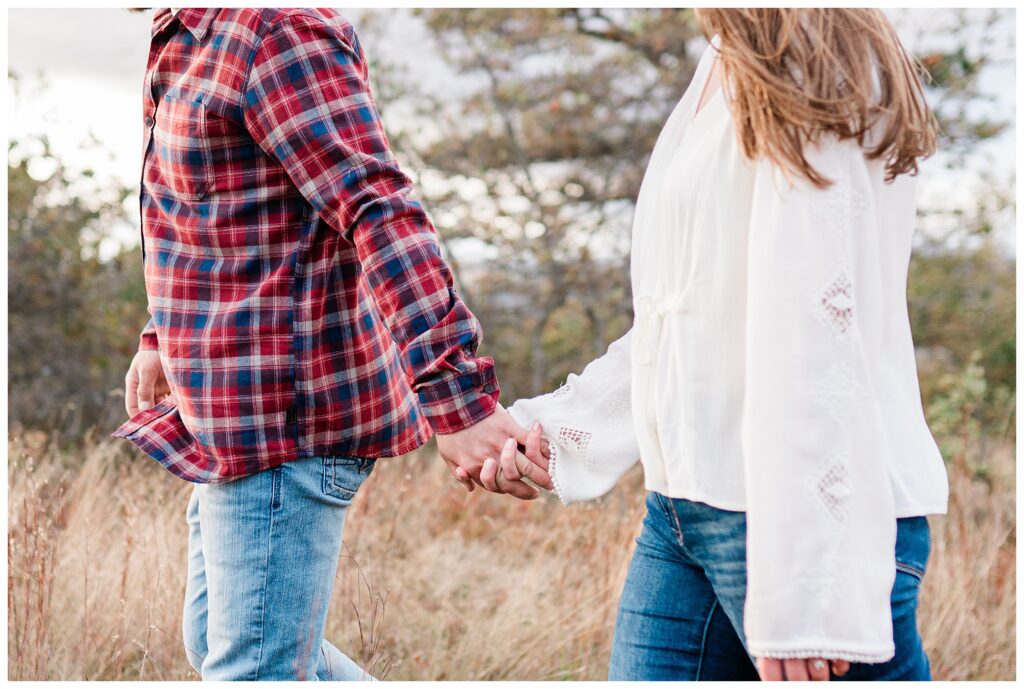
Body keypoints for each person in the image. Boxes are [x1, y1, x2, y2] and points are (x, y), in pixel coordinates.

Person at [504, 8, 949, 682]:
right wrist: (563, 427)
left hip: (800, 522)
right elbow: (692, 311)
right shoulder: (724, 54)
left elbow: (813, 321)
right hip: (687, 508)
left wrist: (805, 586)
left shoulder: (811, 43)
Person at [115, 8, 549, 681]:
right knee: (222, 645)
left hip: (283, 427)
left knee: (254, 668)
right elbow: (201, 214)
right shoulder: (186, 33)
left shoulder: (274, 32)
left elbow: (379, 210)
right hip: (229, 417)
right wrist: (158, 336)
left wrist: (457, 399)